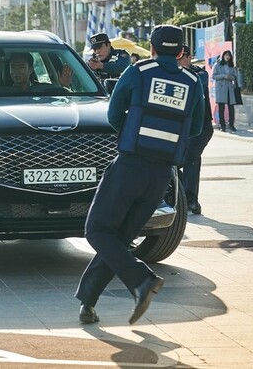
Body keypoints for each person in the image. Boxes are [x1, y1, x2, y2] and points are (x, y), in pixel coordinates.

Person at [75, 25, 203, 325]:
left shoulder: (138, 71)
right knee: (117, 238)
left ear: (153, 48)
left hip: (130, 166)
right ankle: (88, 303)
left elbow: (112, 115)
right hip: (162, 177)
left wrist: (134, 133)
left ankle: (142, 281)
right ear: (181, 52)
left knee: (97, 230)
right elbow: (195, 127)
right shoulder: (192, 81)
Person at [178, 45, 214, 215]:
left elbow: (198, 83)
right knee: (189, 158)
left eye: (183, 56)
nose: (180, 60)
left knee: (189, 158)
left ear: (189, 57)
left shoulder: (199, 74)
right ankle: (186, 198)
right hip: (180, 125)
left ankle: (189, 199)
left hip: (201, 126)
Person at [212, 50, 238, 132]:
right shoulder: (218, 65)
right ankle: (222, 125)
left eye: (229, 56)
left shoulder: (231, 66)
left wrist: (231, 77)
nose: (227, 57)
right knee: (221, 108)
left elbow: (235, 76)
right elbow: (214, 76)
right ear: (223, 56)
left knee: (231, 108)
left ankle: (231, 124)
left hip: (230, 88)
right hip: (221, 88)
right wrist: (223, 76)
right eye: (226, 55)